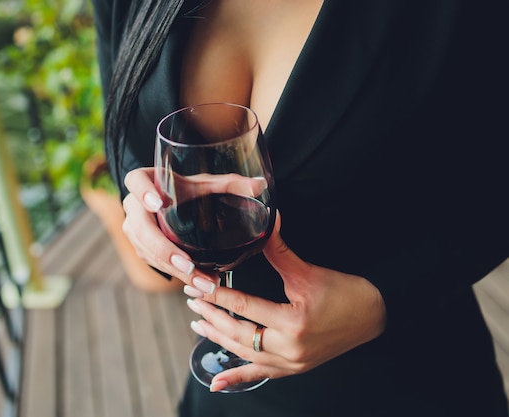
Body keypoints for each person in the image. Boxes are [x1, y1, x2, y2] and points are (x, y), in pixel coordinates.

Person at [89, 0, 509, 415]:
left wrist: (383, 303)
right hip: (226, 386)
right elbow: (129, 136)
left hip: (410, 376)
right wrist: (144, 207)